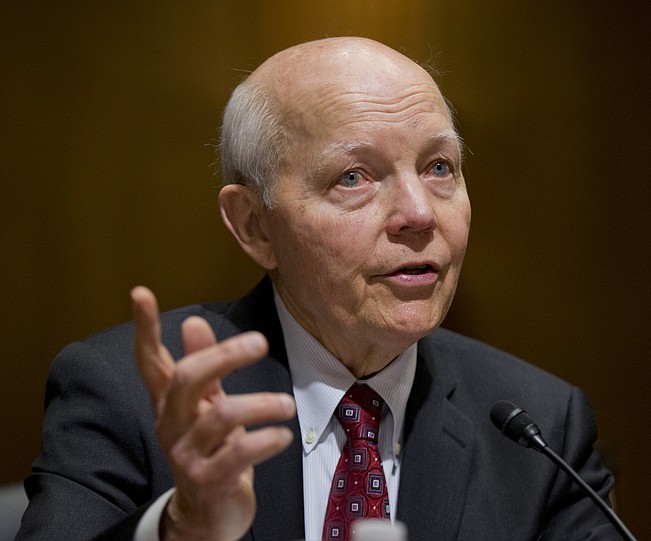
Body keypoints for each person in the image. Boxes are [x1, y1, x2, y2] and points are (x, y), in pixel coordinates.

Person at [16, 37, 619, 541]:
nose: (418, 213)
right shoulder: (127, 394)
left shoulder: (539, 429)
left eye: (439, 168)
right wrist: (182, 527)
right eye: (353, 177)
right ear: (255, 226)